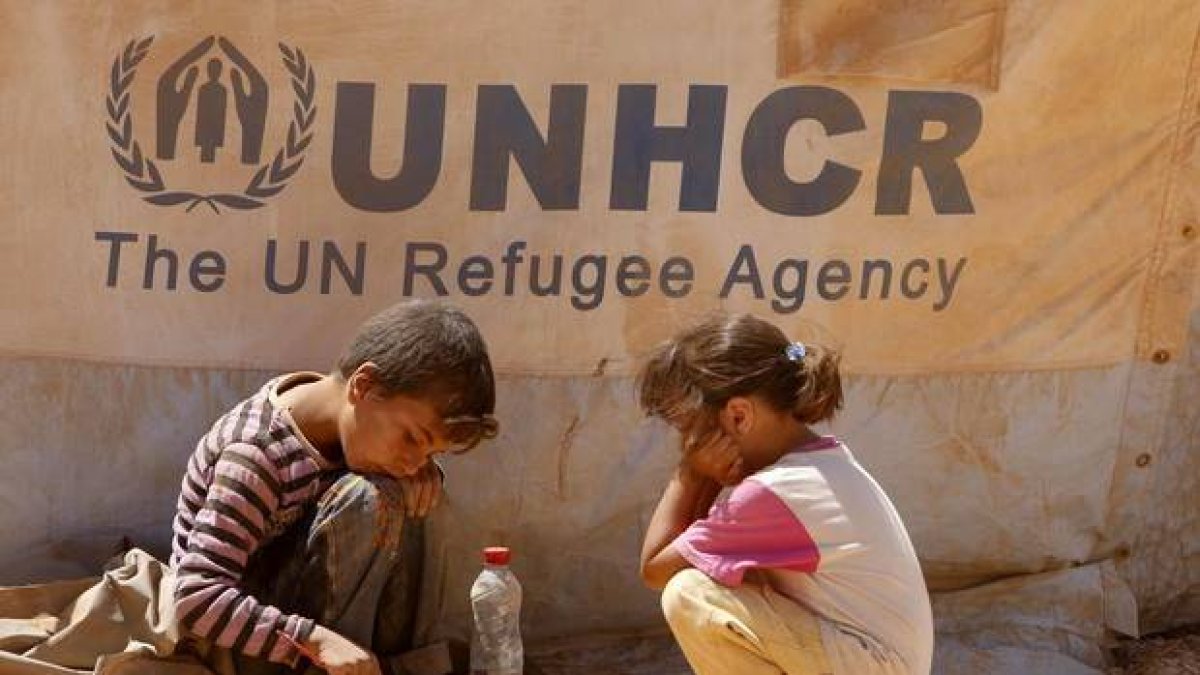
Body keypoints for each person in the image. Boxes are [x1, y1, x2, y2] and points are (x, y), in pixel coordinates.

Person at [169, 300, 499, 675]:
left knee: (422, 495)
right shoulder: (256, 454)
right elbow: (195, 598)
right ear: (363, 385)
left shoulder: (350, 425)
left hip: (315, 638)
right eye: (411, 438)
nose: (414, 460)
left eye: (430, 451)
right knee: (370, 499)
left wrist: (425, 472)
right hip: (242, 646)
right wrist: (316, 640)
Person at [636, 313, 933, 675]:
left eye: (688, 430)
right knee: (724, 576)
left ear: (739, 416)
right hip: (875, 662)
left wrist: (692, 473)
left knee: (690, 594)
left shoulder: (773, 493)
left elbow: (656, 570)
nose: (688, 445)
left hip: (873, 664)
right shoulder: (819, 465)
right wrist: (708, 474)